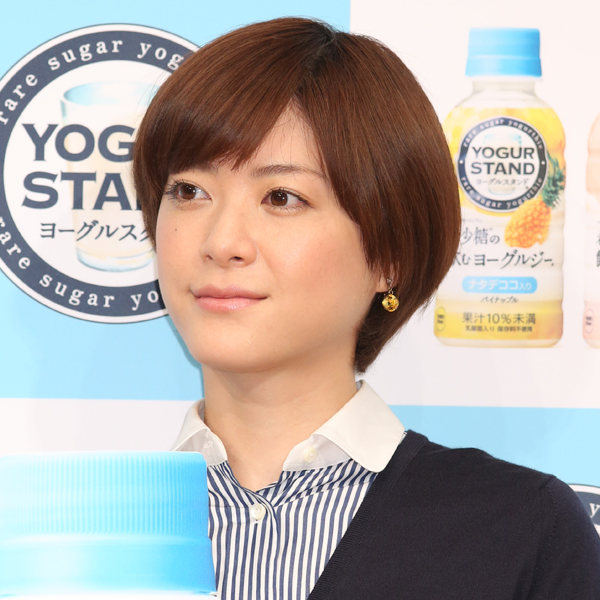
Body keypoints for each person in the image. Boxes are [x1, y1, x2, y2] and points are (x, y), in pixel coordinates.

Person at [133, 17, 600, 600]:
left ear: (388, 254)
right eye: (188, 191)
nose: (221, 241)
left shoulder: (521, 531)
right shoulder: (81, 528)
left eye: (282, 197)